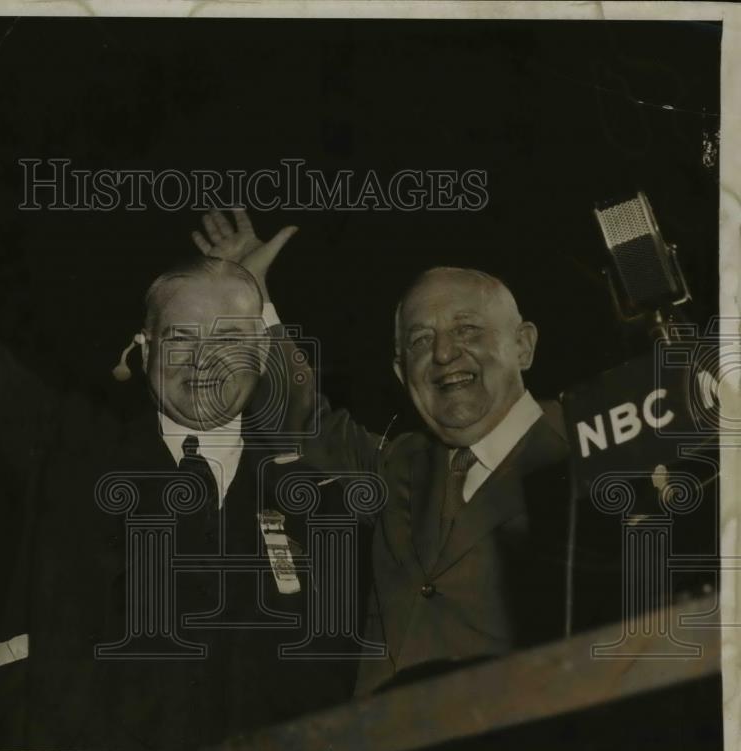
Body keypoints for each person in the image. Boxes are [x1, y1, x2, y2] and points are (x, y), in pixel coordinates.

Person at [0, 17, 369, 751]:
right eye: (180, 336)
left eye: (232, 338)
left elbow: (336, 688)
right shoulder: (71, 445)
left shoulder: (312, 496)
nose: (205, 359)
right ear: (142, 351)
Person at [193, 219, 574, 696]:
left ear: (523, 346)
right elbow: (303, 423)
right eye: (418, 341)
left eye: (467, 329)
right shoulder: (401, 464)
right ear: (400, 372)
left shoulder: (591, 454)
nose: (442, 353)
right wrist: (251, 300)